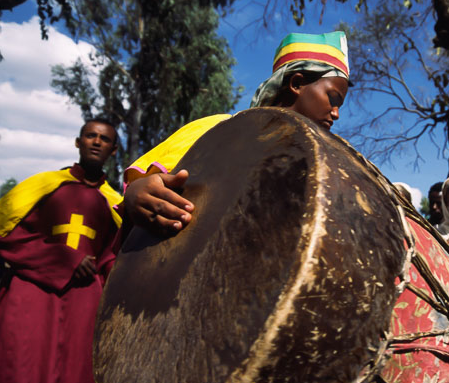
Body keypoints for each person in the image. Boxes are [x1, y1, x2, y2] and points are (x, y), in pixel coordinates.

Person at [122, 31, 349, 235]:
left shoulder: (322, 169)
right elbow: (148, 189)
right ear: (297, 84)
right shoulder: (220, 130)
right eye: (333, 98)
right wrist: (135, 197)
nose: (336, 113)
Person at [0, 119, 122, 383]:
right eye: (90, 136)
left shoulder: (115, 203)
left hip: (83, 302)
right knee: (20, 372)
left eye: (103, 139)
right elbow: (4, 232)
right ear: (78, 142)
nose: (95, 142)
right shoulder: (45, 185)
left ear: (113, 150)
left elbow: (112, 255)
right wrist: (64, 259)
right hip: (31, 293)